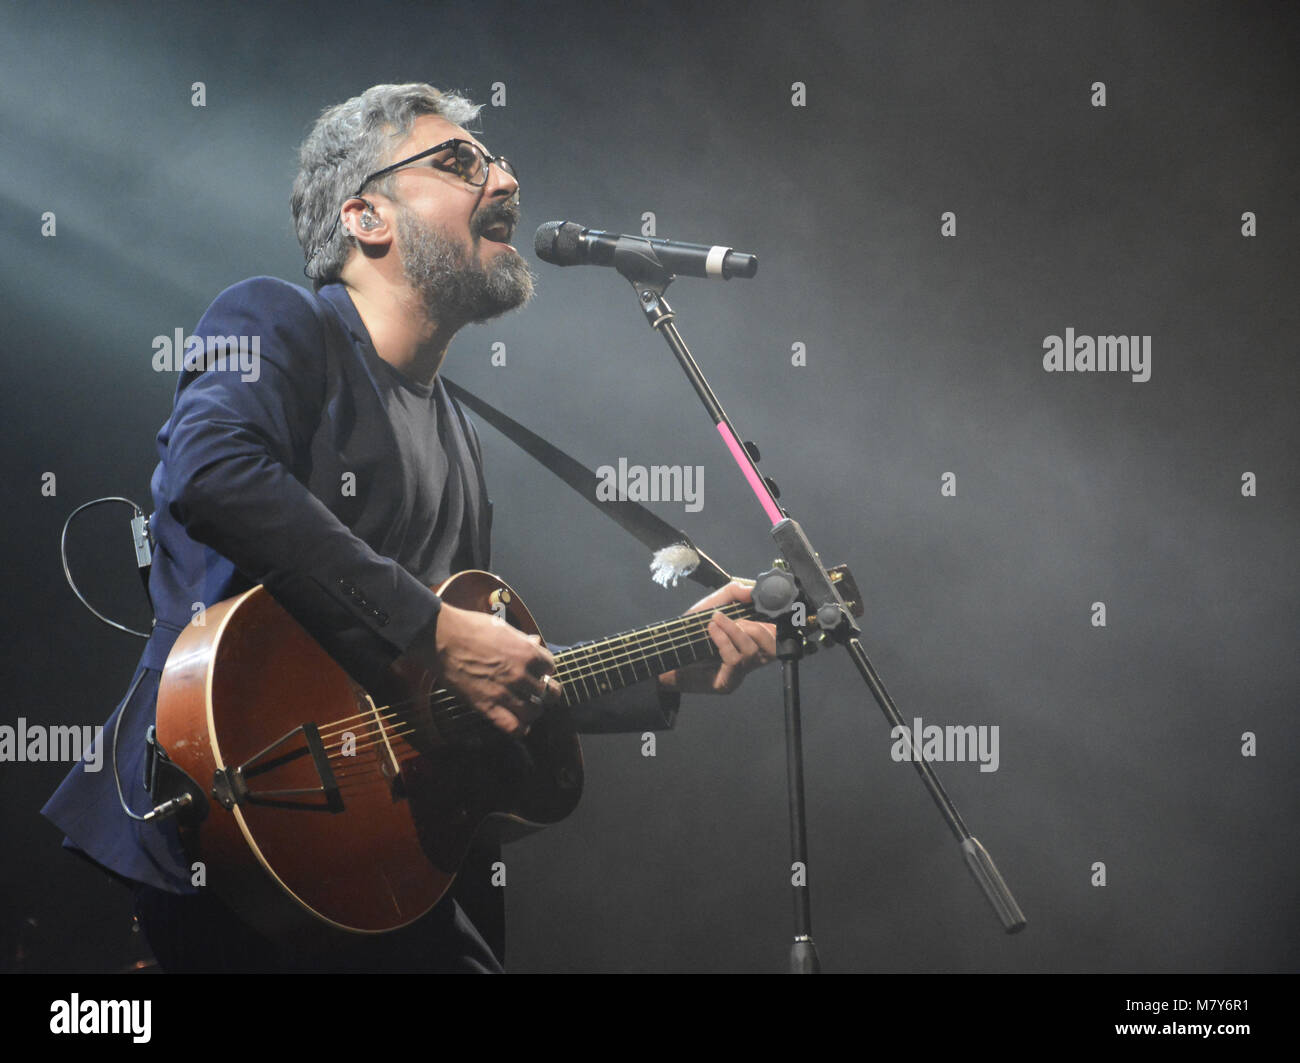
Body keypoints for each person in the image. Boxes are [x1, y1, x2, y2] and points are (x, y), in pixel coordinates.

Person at [42, 83, 775, 972]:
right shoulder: (276, 321)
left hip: (375, 864)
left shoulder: (462, 436)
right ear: (365, 216)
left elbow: (433, 697)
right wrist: (432, 627)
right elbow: (212, 472)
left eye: (498, 160)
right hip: (236, 811)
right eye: (460, 160)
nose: (503, 178)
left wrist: (665, 667)